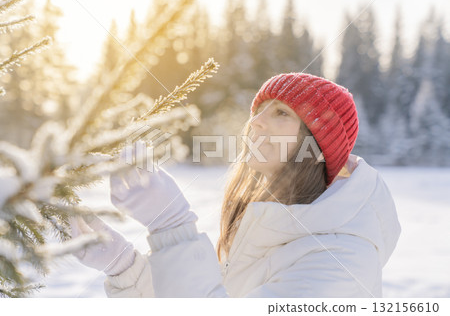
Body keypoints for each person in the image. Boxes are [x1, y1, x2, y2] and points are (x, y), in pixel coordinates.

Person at [69, 73, 401, 298]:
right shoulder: (267, 224)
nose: (255, 121)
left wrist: (172, 229)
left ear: (316, 144)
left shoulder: (342, 259)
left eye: (281, 113)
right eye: (258, 111)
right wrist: (125, 268)